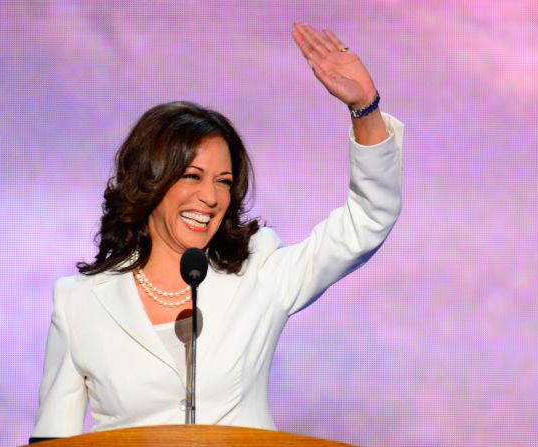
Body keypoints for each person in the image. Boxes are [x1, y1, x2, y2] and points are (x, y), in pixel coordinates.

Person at [32, 23, 403, 438]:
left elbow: (368, 220)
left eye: (224, 181)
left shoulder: (259, 271)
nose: (210, 197)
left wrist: (365, 109)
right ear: (150, 179)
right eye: (192, 176)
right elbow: (52, 439)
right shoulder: (79, 302)